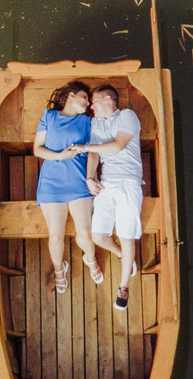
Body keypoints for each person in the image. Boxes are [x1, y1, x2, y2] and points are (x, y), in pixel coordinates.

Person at [73, 84, 142, 311]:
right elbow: (94, 153)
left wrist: (84, 147)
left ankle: (123, 287)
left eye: (94, 101)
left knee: (126, 235)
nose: (91, 106)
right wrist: (89, 178)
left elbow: (118, 145)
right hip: (107, 183)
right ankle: (124, 256)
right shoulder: (96, 123)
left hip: (129, 183)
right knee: (98, 236)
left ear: (108, 99)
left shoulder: (127, 116)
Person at [33, 81, 104, 293]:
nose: (88, 103)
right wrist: (60, 155)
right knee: (55, 236)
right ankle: (59, 269)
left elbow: (94, 151)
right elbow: (37, 149)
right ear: (71, 95)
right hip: (52, 184)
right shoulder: (49, 116)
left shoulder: (88, 121)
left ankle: (90, 259)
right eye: (85, 97)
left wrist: (91, 177)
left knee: (85, 232)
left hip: (78, 181)